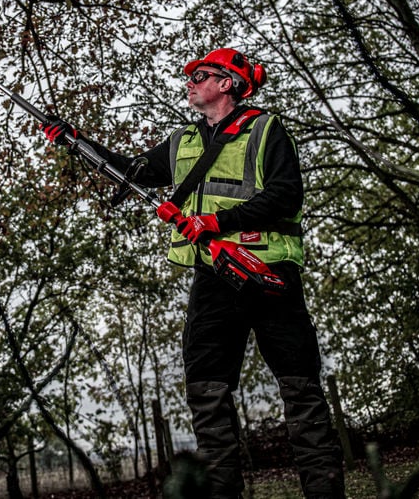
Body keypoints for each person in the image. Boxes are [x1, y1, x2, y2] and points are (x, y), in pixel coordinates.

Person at [43, 48, 345, 499]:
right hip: (214, 276)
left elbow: (286, 194)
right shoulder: (182, 141)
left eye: (200, 75)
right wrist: (76, 140)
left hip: (270, 272)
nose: (190, 81)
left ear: (227, 84)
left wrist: (216, 222)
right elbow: (133, 172)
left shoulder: (266, 129)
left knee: (301, 388)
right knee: (206, 390)